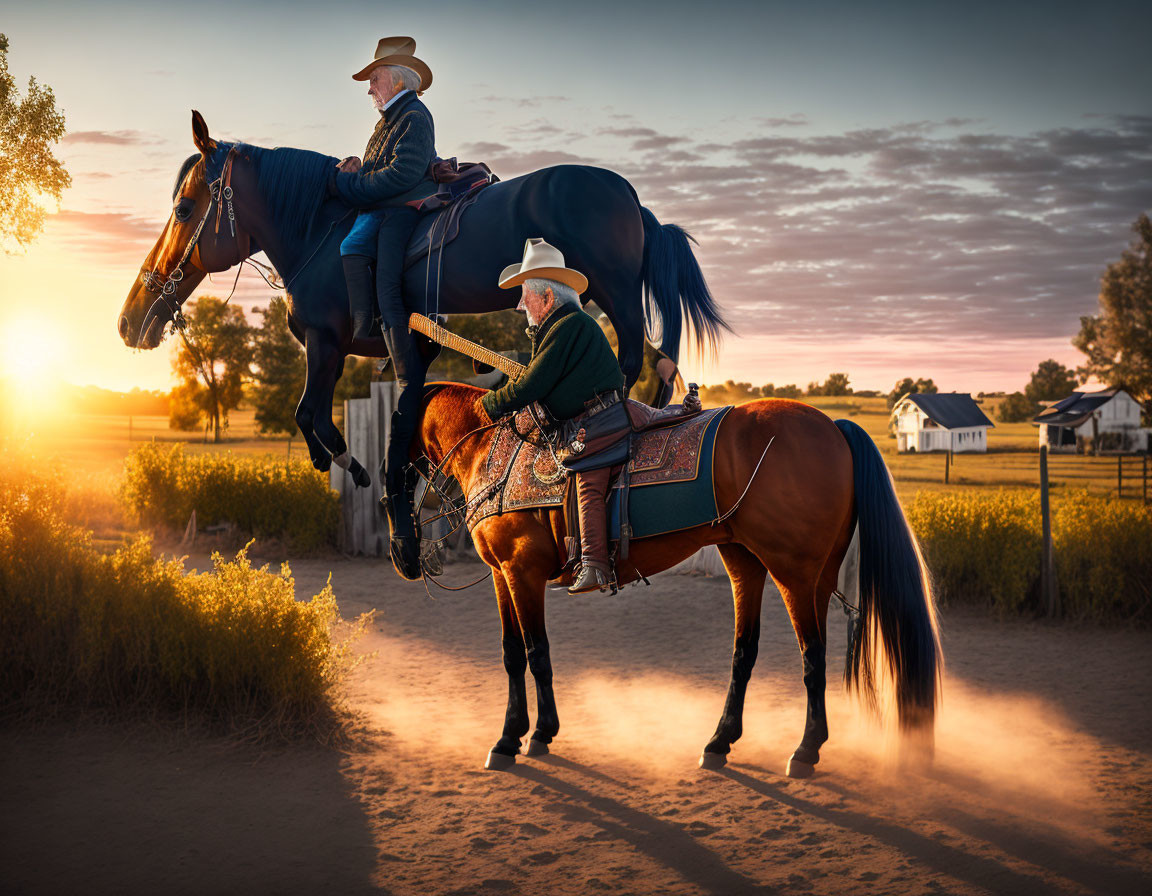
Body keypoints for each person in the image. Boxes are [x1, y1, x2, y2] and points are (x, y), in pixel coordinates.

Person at [330, 36, 438, 578]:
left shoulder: (415, 116)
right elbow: (375, 165)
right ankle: (364, 323)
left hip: (404, 205)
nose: (369, 87)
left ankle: (397, 351)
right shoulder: (387, 119)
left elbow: (400, 174)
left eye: (374, 77)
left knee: (391, 277)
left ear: (396, 77)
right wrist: (355, 167)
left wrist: (356, 186)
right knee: (350, 246)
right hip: (380, 202)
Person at [477, 239, 626, 594]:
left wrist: (488, 405)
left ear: (546, 298)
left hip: (599, 420)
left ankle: (595, 563)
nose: (519, 305)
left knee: (587, 475)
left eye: (525, 296)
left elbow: (532, 383)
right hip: (593, 416)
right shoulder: (561, 327)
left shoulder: (567, 326)